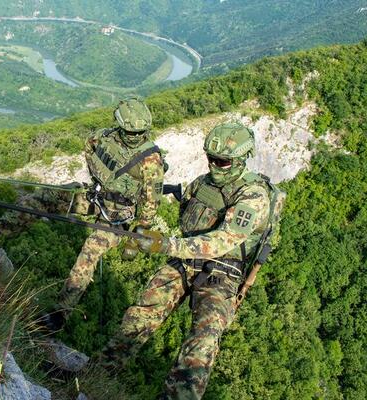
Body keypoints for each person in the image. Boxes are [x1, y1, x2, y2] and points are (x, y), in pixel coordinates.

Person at [103, 122, 279, 399]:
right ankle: (98, 376)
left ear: (241, 159)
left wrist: (164, 244)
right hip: (186, 261)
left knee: (203, 341)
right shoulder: (205, 182)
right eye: (210, 158)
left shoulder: (253, 196)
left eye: (222, 161)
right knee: (142, 312)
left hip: (223, 270)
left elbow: (221, 240)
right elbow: (188, 196)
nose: (214, 165)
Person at [43, 97, 165, 331]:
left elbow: (150, 205)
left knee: (89, 252)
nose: (135, 136)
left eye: (140, 132)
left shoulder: (151, 161)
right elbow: (88, 148)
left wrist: (133, 241)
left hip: (118, 218)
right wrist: (96, 181)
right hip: (96, 199)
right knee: (47, 198)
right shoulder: (103, 137)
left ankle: (59, 314)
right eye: (131, 132)